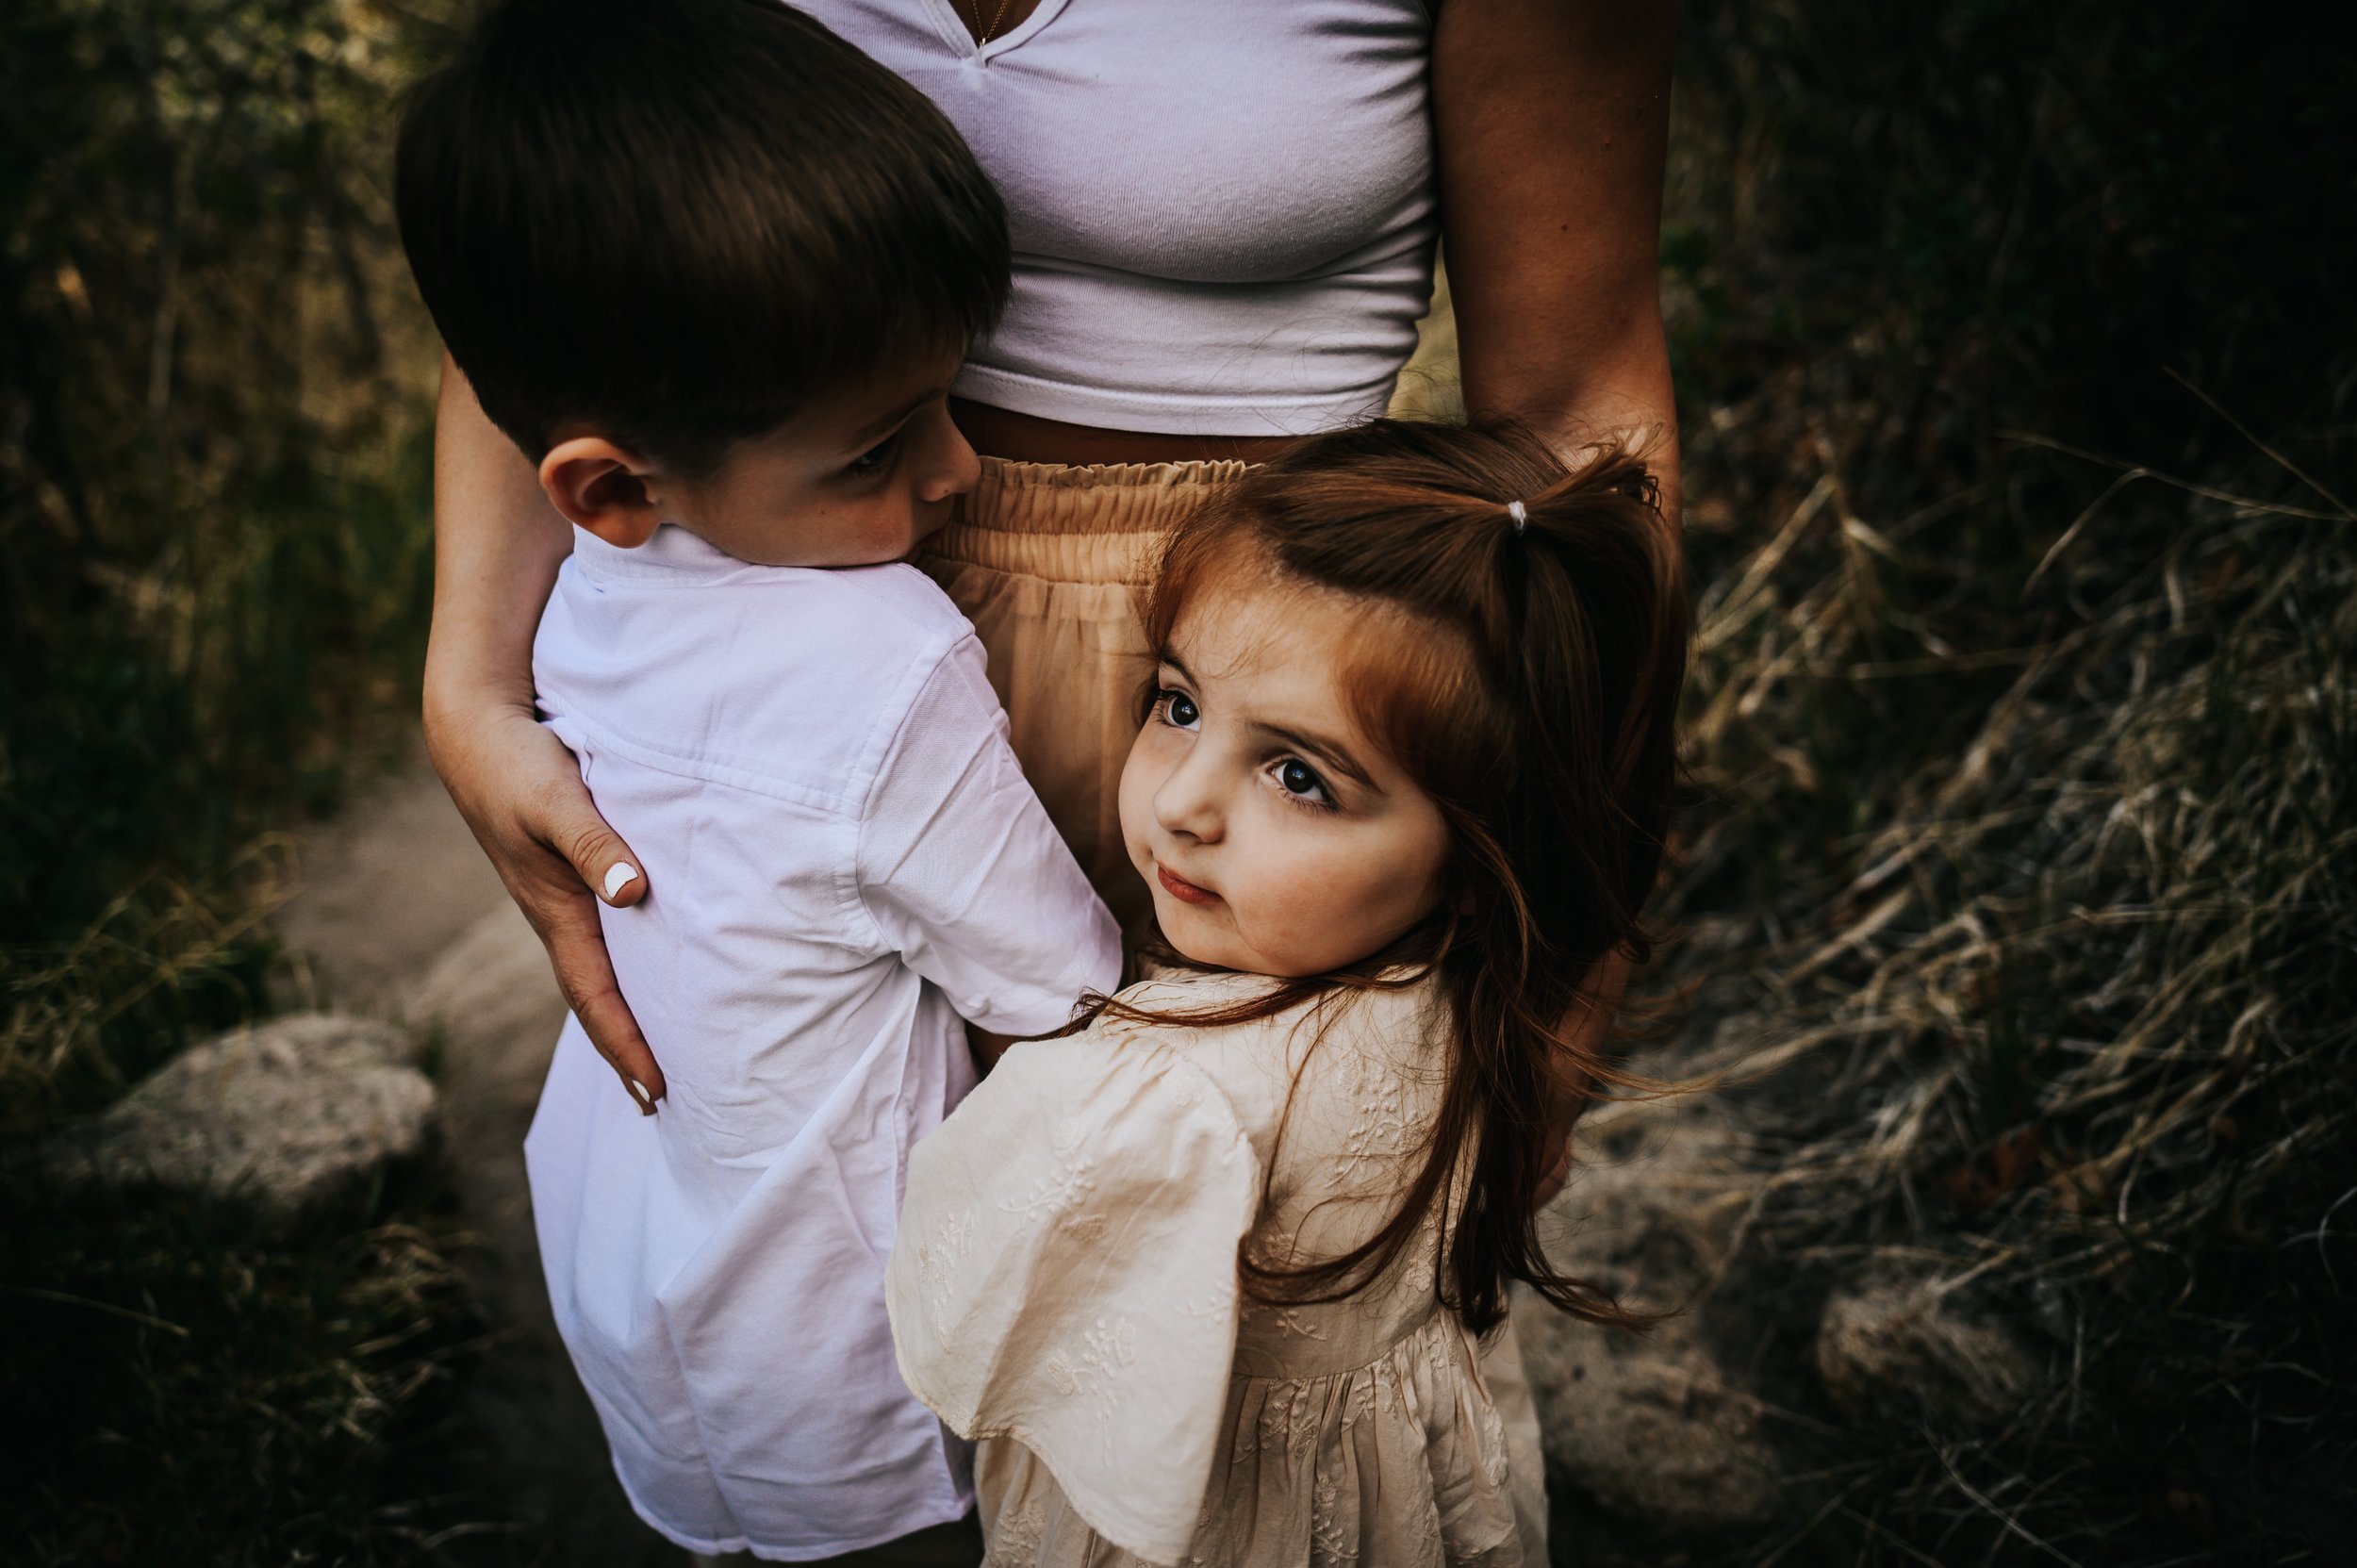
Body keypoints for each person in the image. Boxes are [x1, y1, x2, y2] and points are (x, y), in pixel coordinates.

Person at [423, 0, 1678, 1554]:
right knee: (879, 1287)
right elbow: (539, 270)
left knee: (1241, 1386)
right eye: (900, 437)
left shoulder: (1183, 752)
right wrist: (471, 686)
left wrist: (1573, 936)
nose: (947, 470)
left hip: (1263, 669)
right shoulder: (828, 657)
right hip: (803, 674)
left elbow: (1580, 397)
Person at [393, 1, 1121, 1560]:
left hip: (643, 1275)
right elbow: (1059, 991)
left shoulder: (584, 592)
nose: (956, 470)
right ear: (611, 485)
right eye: (875, 452)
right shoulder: (886, 664)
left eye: (950, 396)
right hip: (855, 1348)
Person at [885, 419, 1689, 1565]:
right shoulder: (1468, 998)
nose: (1183, 804)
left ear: (1478, 856)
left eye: (1300, 775)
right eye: (1178, 704)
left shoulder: (1154, 1092)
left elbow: (962, 1310)